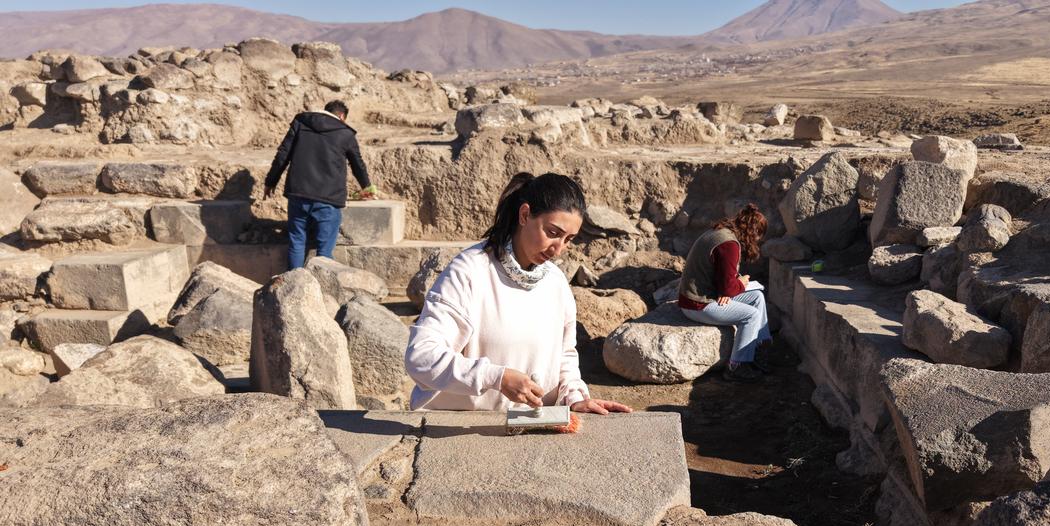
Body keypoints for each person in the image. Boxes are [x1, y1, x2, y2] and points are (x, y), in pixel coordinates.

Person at [404, 172, 632, 416]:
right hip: (458, 429)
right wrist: (496, 378)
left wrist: (574, 397)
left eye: (569, 239)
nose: (558, 249)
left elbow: (564, 355)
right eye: (553, 233)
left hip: (532, 428)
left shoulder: (555, 282)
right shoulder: (471, 272)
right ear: (524, 215)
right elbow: (421, 357)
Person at [263, 99, 377, 270]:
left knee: (297, 242)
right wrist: (366, 187)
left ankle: (294, 285)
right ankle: (321, 291)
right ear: (341, 116)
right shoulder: (345, 133)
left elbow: (283, 154)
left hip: (298, 194)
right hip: (328, 199)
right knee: (324, 253)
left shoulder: (300, 123)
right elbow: (357, 164)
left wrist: (271, 181)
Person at [677, 204, 772, 383]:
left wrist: (732, 286)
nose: (757, 242)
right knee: (751, 315)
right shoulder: (729, 245)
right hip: (697, 304)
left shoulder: (722, 232)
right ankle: (737, 366)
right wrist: (741, 283)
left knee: (757, 297)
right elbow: (728, 288)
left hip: (704, 294)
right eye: (758, 237)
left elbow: (724, 280)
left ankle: (761, 346)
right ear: (753, 232)